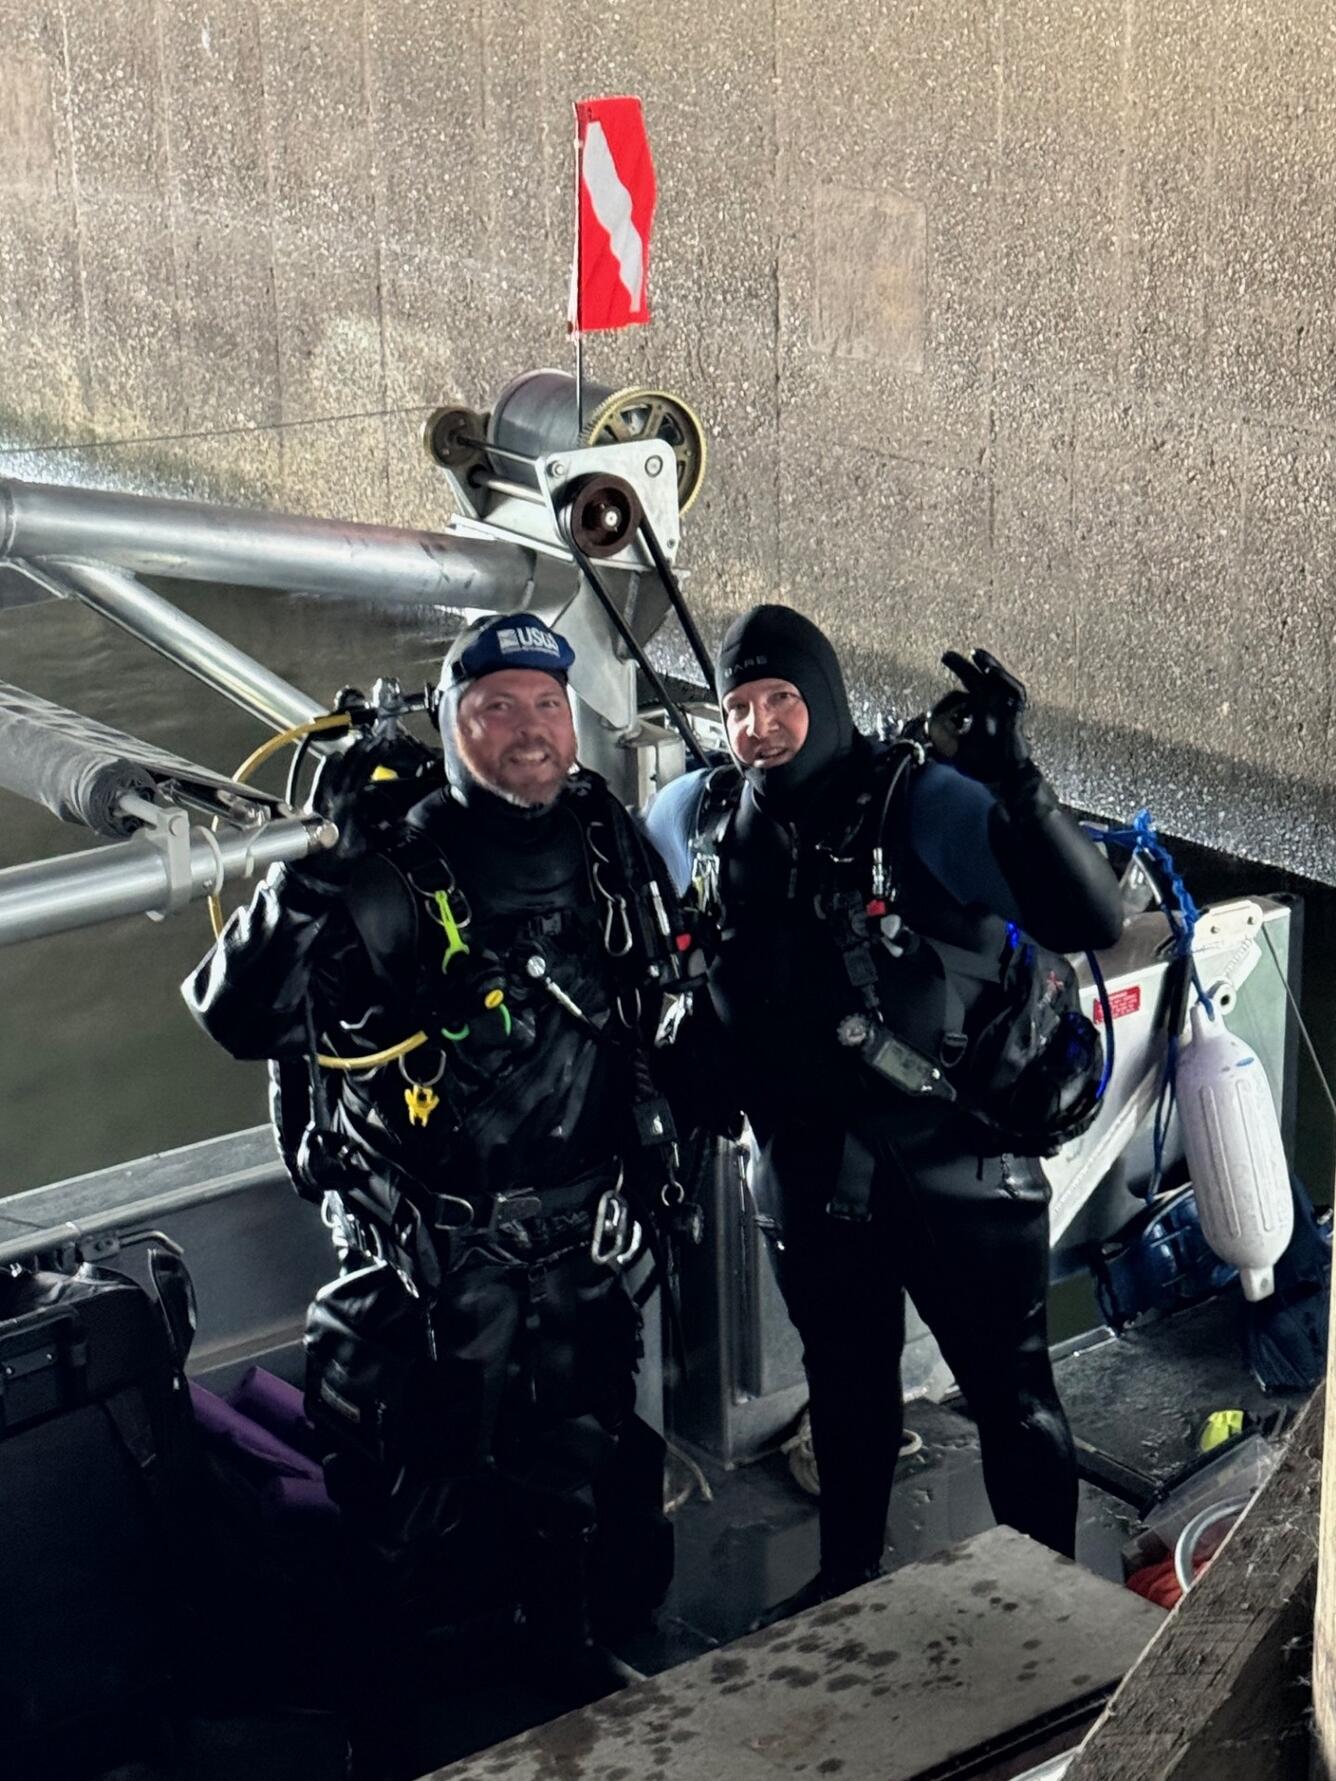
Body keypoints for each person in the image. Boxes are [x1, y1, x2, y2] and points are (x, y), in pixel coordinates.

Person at [184, 613, 688, 1758]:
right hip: (436, 1268)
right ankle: (386, 1731)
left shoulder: (607, 836)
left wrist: (659, 1141)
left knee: (573, 1475)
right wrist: (313, 874)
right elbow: (232, 1013)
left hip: (582, 1246)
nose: (529, 731)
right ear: (453, 725)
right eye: (495, 706)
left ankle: (563, 1660)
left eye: (547, 705)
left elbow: (648, 1003)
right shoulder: (388, 866)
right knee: (402, 1512)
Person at [646, 603, 1125, 1622]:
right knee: (845, 1385)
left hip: (953, 1160)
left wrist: (1018, 784)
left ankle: (1045, 1610)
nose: (761, 725)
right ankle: (846, 1582)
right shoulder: (692, 814)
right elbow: (590, 864)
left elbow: (1090, 917)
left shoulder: (921, 802)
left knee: (1011, 1393)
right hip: (806, 1168)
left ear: (822, 698)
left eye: (781, 699)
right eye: (739, 707)